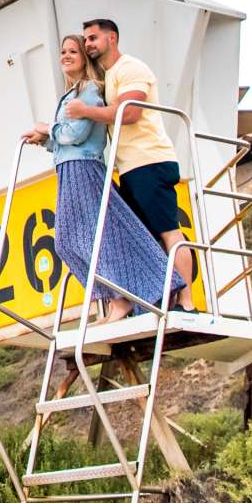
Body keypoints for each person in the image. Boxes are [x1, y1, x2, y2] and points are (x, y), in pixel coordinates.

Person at [25, 34, 185, 324]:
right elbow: (66, 141)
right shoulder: (71, 94)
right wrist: (45, 139)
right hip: (68, 169)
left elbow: (75, 135)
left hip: (84, 170)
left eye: (73, 51)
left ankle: (125, 298)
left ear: (85, 59)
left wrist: (49, 128)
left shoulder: (88, 92)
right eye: (63, 51)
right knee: (66, 242)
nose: (66, 55)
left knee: (86, 239)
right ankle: (115, 298)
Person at [81, 16, 193, 309]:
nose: (88, 44)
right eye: (86, 40)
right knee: (137, 237)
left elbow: (130, 112)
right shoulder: (108, 77)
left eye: (93, 38)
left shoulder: (130, 67)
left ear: (112, 38)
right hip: (130, 167)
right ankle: (150, 300)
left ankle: (188, 300)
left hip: (150, 160)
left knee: (169, 231)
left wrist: (85, 111)